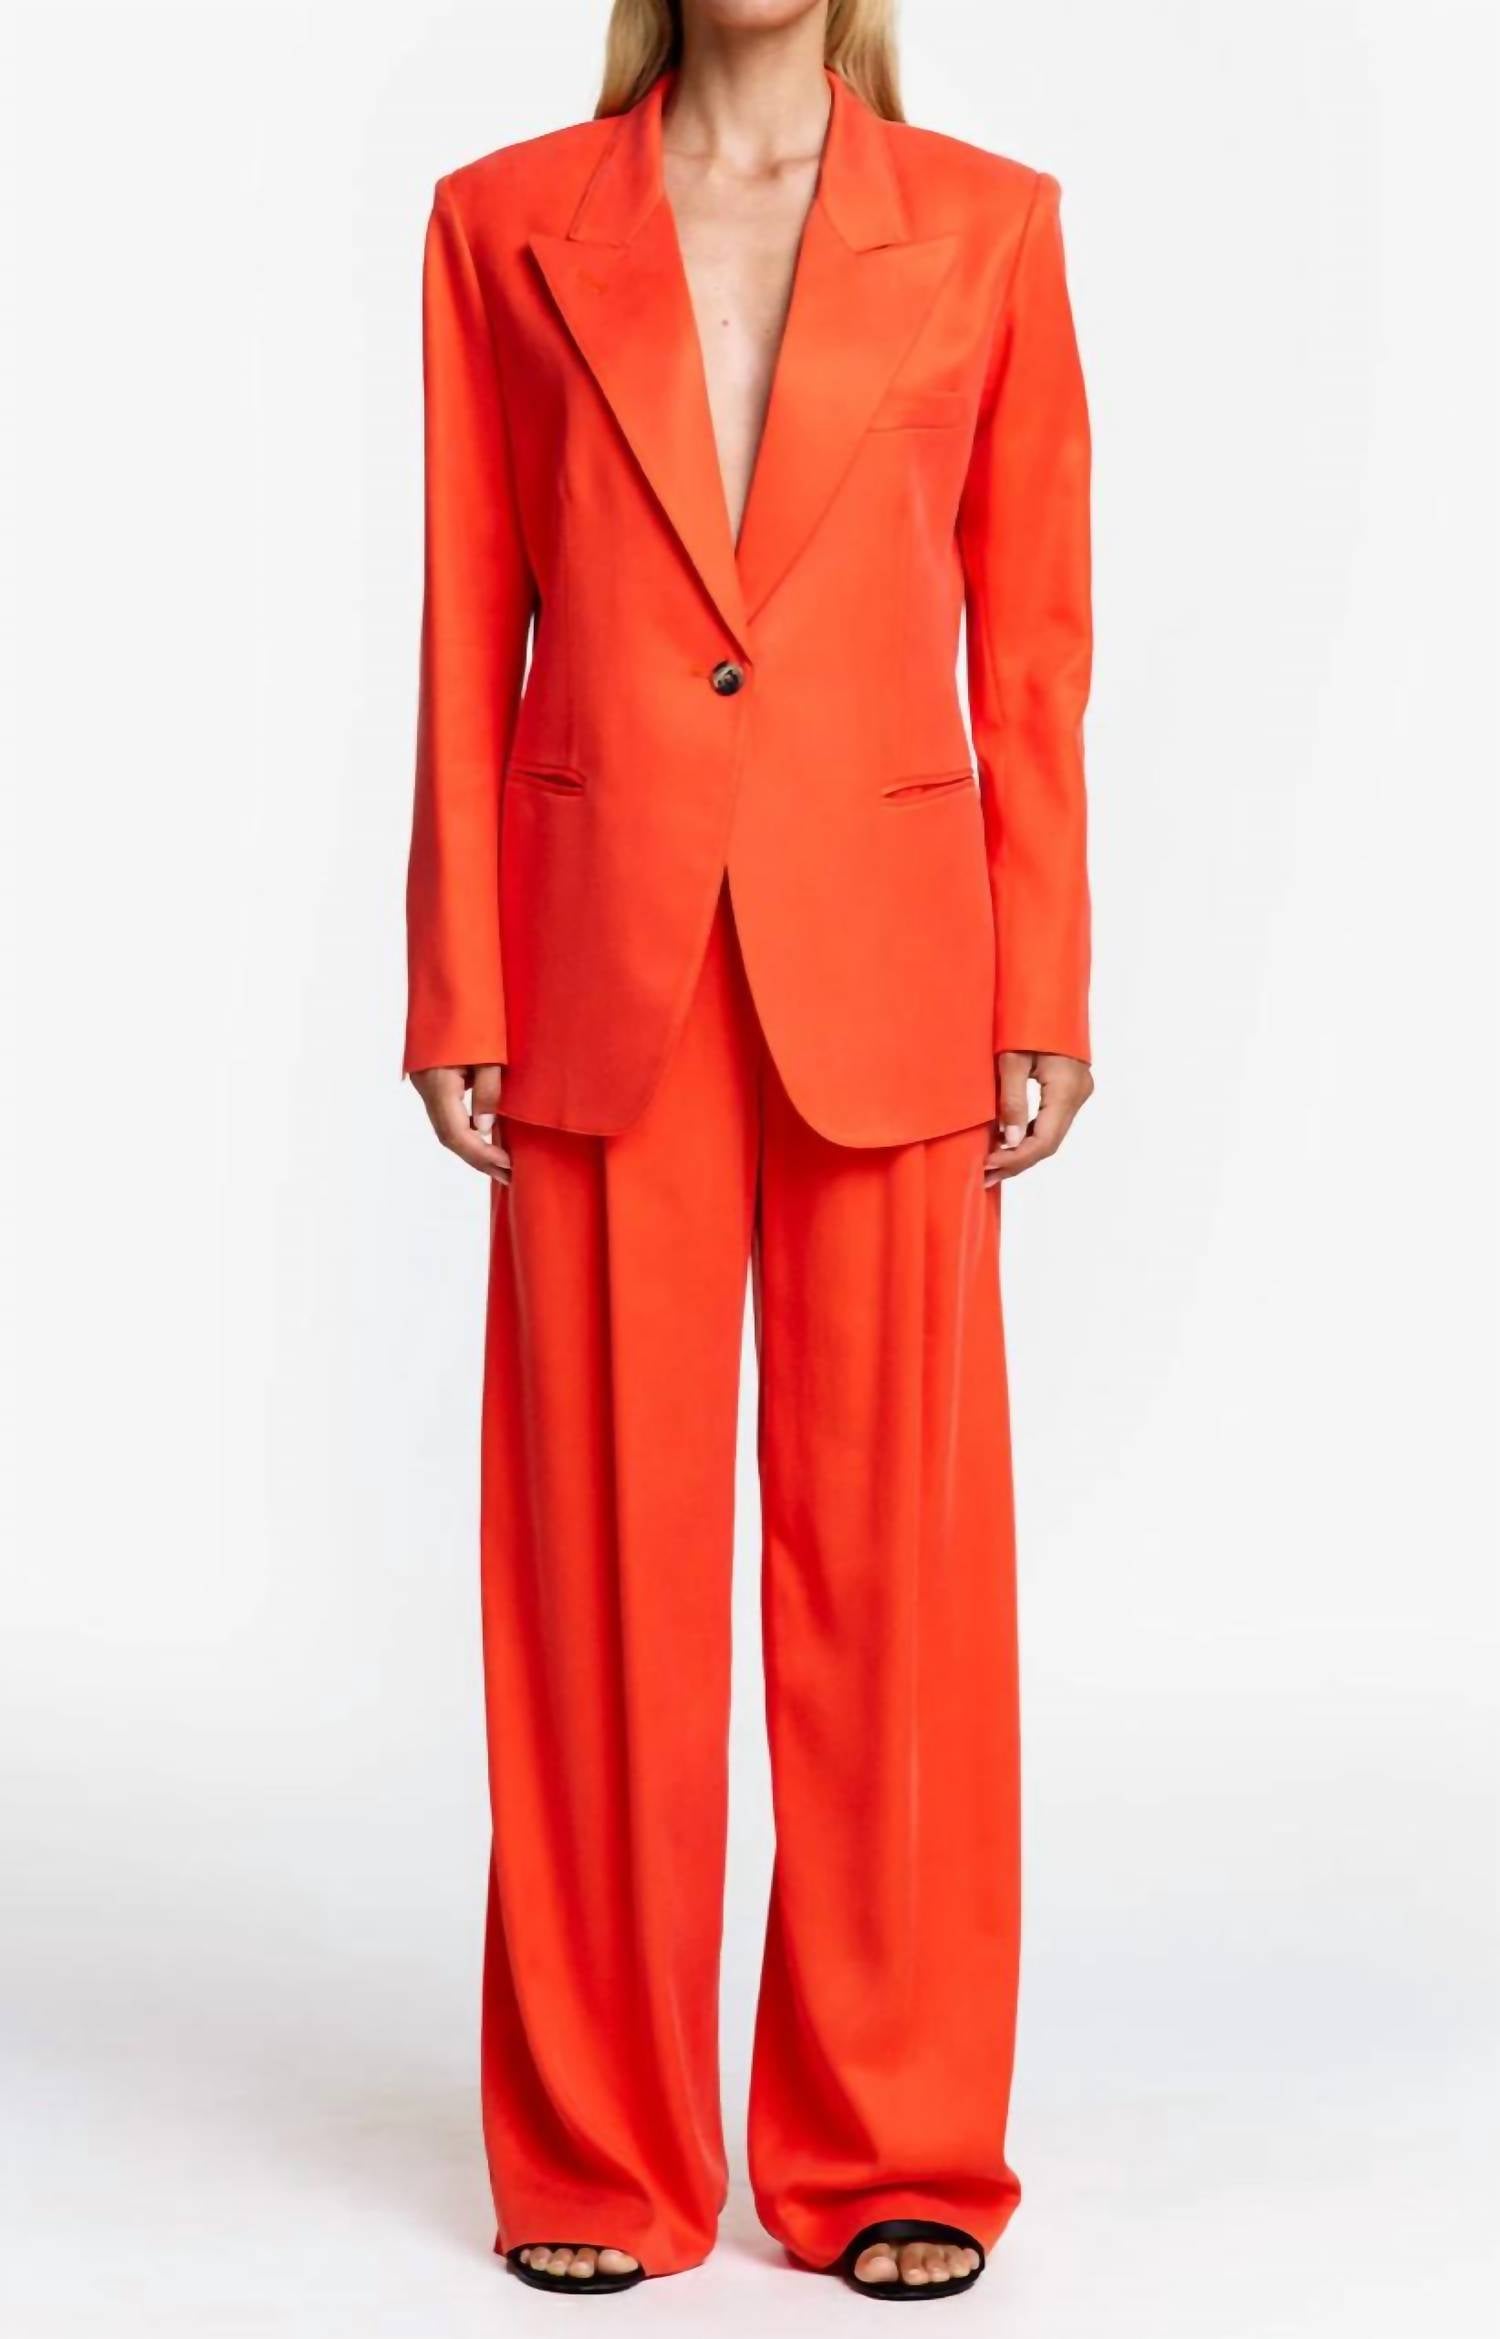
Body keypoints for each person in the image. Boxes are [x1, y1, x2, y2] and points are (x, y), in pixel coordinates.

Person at [403, 0, 1093, 2300]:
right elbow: (467, 621)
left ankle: (892, 2140)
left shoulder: (990, 229)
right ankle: (601, 2148)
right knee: (597, 1583)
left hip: (891, 961)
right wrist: (459, 977)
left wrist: (1046, 974)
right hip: (598, 953)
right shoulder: (504, 226)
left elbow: (1035, 649)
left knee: (896, 1586)